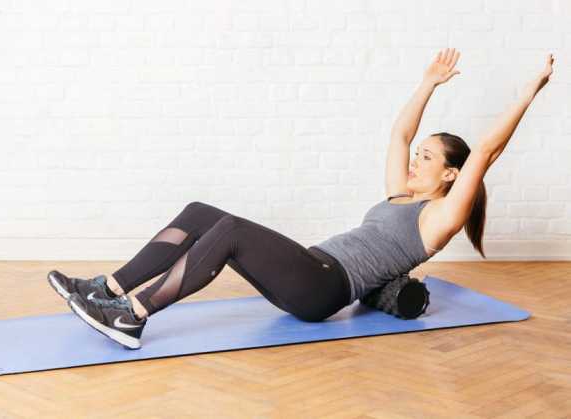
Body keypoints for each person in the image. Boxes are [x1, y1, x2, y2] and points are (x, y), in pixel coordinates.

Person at [48, 48, 554, 349]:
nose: (416, 161)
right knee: (203, 212)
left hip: (325, 290)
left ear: (451, 175)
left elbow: (486, 150)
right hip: (311, 266)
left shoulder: (440, 217)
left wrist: (529, 91)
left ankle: (134, 315)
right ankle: (108, 287)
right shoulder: (399, 194)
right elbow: (399, 134)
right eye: (419, 155)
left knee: (230, 232)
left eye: (427, 158)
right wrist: (427, 83)